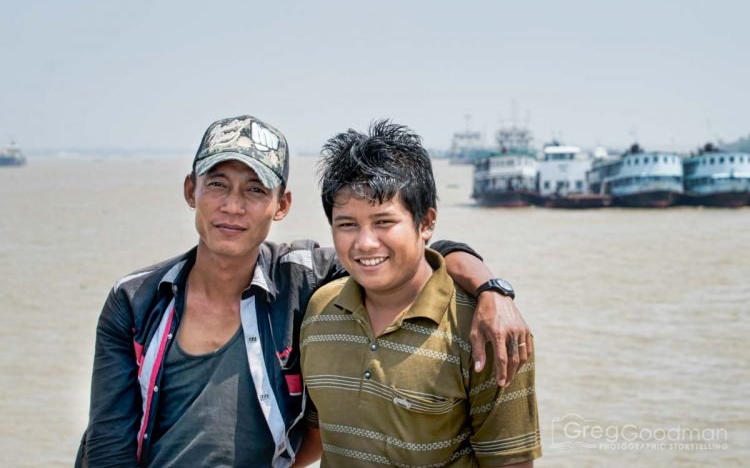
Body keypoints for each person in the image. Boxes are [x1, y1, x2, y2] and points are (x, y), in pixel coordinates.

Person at [75, 115, 532, 468]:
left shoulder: (303, 280)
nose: (233, 206)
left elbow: (405, 254)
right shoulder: (137, 300)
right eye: (218, 184)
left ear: (282, 205)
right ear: (191, 190)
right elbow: (110, 441)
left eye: (256, 189)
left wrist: (492, 290)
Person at [300, 120, 541, 467]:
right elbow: (318, 435)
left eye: (384, 222)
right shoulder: (321, 310)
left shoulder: (486, 329)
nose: (365, 243)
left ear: (426, 223)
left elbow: (511, 462)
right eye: (347, 224)